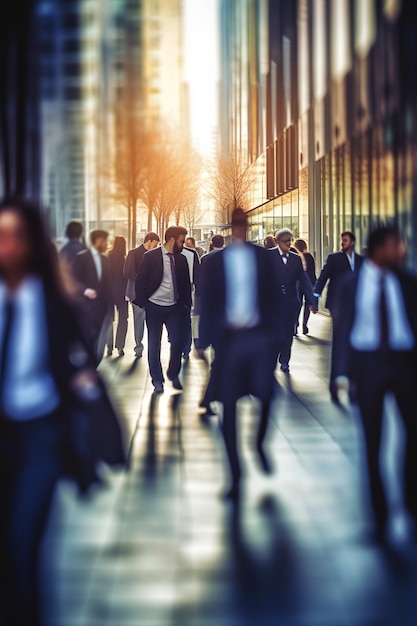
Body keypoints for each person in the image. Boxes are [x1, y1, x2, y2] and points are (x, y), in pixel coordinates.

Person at [0, 197, 126, 626]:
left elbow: (77, 365)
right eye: (1, 236)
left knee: (24, 543)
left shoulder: (53, 301)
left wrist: (94, 413)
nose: (8, 246)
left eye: (17, 235)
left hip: (40, 433)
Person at [333, 226, 417, 543]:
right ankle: (380, 517)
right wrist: (338, 375)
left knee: (413, 436)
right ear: (380, 249)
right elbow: (341, 332)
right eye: (398, 245)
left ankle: (411, 504)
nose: (402, 251)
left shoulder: (407, 282)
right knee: (373, 442)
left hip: (405, 365)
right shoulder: (351, 285)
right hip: (367, 368)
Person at [198, 208, 282, 499]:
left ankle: (259, 444)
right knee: (228, 407)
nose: (240, 230)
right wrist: (202, 339)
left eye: (243, 225)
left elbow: (274, 296)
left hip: (259, 339)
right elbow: (207, 300)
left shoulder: (262, 258)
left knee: (268, 395)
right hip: (229, 342)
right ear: (229, 228)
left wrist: (276, 335)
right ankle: (235, 475)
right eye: (236, 226)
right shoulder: (216, 262)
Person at [134, 226, 191, 393]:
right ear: (172, 240)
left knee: (178, 341)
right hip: (154, 307)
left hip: (174, 308)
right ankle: (157, 380)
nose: (183, 244)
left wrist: (186, 305)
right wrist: (143, 302)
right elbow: (140, 279)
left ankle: (173, 373)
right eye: (181, 241)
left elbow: (185, 284)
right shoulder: (150, 256)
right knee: (154, 344)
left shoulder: (181, 259)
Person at [313, 231, 364, 401]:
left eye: (346, 240)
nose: (343, 243)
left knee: (355, 345)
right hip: (338, 307)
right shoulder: (334, 258)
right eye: (341, 241)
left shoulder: (361, 261)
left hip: (357, 308)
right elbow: (324, 277)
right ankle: (334, 386)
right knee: (339, 344)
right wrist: (315, 296)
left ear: (353, 242)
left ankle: (354, 387)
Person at [269, 228, 317, 374]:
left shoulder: (296, 259)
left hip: (290, 304)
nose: (288, 244)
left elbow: (304, 281)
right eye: (285, 241)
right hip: (272, 304)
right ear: (277, 242)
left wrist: (312, 301)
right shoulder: (268, 256)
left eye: (290, 241)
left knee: (288, 334)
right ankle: (272, 359)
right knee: (274, 334)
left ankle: (285, 361)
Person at [71, 229, 112, 366]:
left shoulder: (105, 259)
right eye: (104, 241)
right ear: (97, 241)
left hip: (102, 309)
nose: (106, 243)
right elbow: (73, 280)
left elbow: (107, 285)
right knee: (88, 339)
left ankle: (92, 366)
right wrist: (85, 290)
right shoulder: (82, 257)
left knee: (97, 342)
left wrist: (110, 309)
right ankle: (87, 366)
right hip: (86, 308)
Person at [123, 232, 160, 359]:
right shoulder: (133, 253)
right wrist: (141, 281)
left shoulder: (153, 255)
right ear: (150, 241)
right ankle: (138, 347)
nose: (156, 246)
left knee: (150, 321)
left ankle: (151, 347)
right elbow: (127, 272)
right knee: (138, 320)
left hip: (151, 293)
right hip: (136, 292)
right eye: (155, 243)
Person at [106, 236, 128, 357]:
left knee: (110, 319)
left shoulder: (108, 257)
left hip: (109, 293)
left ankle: (109, 347)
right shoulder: (124, 258)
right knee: (123, 319)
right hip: (122, 293)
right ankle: (120, 347)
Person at [181, 240, 201, 359]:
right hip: (188, 290)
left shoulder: (191, 253)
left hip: (186, 290)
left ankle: (184, 347)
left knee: (185, 320)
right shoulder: (192, 253)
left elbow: (197, 275)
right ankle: (185, 348)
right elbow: (198, 275)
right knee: (186, 319)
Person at [293, 238, 317, 335]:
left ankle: (295, 326)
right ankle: (304, 325)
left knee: (298, 305)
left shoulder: (295, 257)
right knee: (308, 304)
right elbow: (312, 272)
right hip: (309, 284)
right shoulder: (309, 257)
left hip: (298, 284)